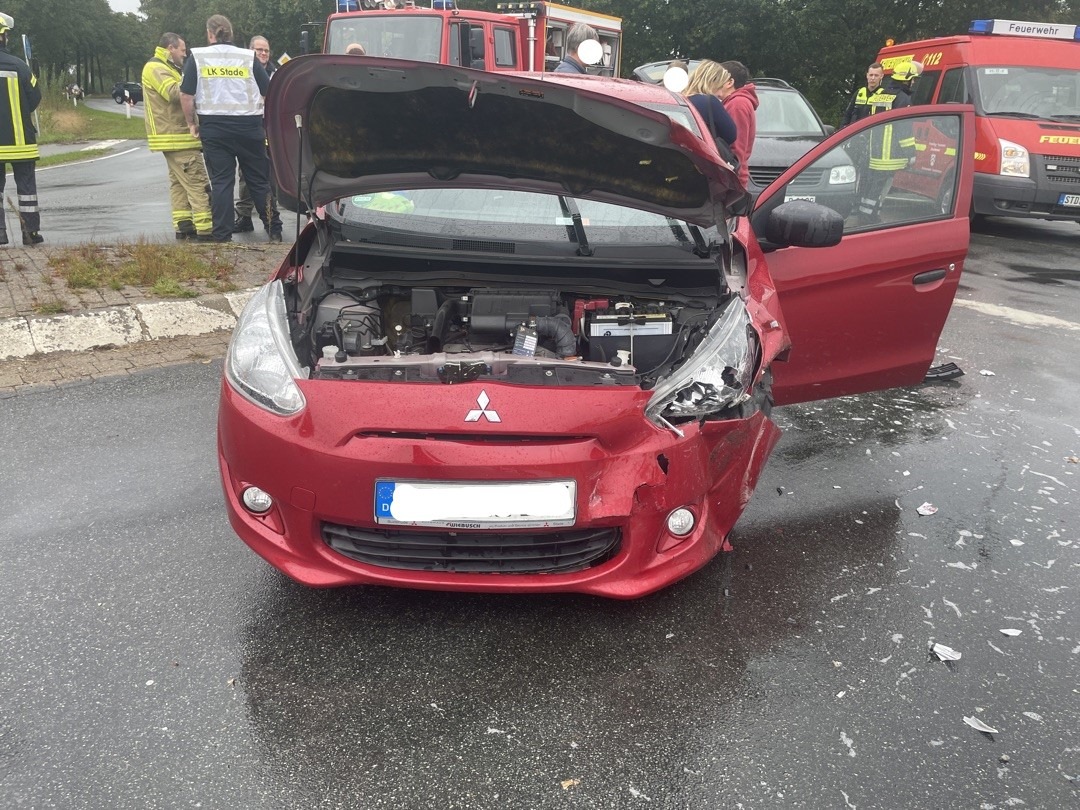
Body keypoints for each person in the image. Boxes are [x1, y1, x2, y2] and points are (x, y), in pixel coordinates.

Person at [181, 15, 282, 243]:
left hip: (214, 128)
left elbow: (186, 94)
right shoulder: (247, 57)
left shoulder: (198, 57)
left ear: (210, 34)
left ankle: (222, 236)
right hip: (249, 127)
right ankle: (274, 229)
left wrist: (191, 124)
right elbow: (268, 91)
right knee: (258, 181)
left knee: (222, 183)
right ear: (231, 33)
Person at [142, 33, 213, 240]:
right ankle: (206, 230)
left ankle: (184, 225)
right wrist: (194, 77)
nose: (184, 55)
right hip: (178, 136)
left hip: (174, 137)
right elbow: (175, 94)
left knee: (179, 185)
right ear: (171, 48)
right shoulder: (156, 67)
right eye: (182, 51)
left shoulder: (167, 67)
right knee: (198, 184)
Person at [856, 60, 923, 223]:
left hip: (875, 153)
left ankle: (865, 213)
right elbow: (904, 130)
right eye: (912, 79)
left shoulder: (880, 95)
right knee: (882, 186)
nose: (913, 82)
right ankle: (871, 217)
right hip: (890, 155)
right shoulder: (903, 99)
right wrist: (911, 154)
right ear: (905, 79)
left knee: (871, 185)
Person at [0, 12, 42, 246]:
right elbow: (35, 98)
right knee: (26, 190)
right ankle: (30, 232)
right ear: (3, 37)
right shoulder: (20, 67)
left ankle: (0, 234)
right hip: (21, 142)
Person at [232, 35, 280, 234]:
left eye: (266, 50)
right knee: (245, 175)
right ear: (250, 51)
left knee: (270, 176)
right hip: (249, 130)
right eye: (259, 49)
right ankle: (244, 217)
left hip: (270, 130)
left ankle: (271, 216)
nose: (263, 53)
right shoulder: (242, 73)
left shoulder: (276, 74)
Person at [719, 60, 757, 191]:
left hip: (733, 180)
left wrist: (731, 178)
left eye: (718, 77)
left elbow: (736, 147)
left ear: (729, 82)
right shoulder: (735, 102)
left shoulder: (737, 104)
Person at [684, 60, 738, 149]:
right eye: (720, 86)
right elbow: (731, 135)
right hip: (703, 154)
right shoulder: (710, 102)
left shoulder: (679, 99)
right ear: (712, 82)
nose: (721, 93)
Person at [841, 62, 886, 127]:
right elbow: (847, 115)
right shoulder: (859, 93)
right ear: (867, 75)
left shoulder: (884, 95)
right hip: (855, 132)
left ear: (881, 76)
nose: (873, 78)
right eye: (871, 75)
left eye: (876, 75)